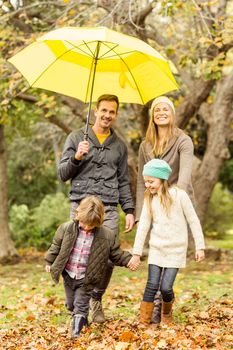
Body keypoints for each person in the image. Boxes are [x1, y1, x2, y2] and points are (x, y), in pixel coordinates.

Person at [58, 94, 135, 323]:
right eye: (104, 110)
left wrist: (129, 209)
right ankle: (74, 302)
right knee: (73, 254)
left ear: (116, 114)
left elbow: (123, 180)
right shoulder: (75, 137)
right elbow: (62, 174)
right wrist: (77, 157)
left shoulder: (119, 146)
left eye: (112, 112)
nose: (107, 115)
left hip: (109, 207)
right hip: (81, 207)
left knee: (109, 257)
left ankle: (96, 299)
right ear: (95, 111)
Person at [45, 196, 138, 338]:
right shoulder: (66, 228)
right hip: (69, 274)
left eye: (91, 225)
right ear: (78, 215)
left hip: (87, 277)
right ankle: (83, 321)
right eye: (84, 223)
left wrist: (128, 260)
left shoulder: (106, 235)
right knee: (71, 305)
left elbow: (116, 254)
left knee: (80, 305)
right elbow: (56, 246)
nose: (87, 227)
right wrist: (50, 262)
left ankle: (76, 334)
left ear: (99, 221)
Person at [128, 159, 205, 326]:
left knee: (165, 287)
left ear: (162, 179)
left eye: (151, 181)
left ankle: (166, 312)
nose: (147, 185)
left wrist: (200, 246)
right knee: (152, 284)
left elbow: (193, 221)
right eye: (145, 181)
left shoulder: (180, 195)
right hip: (156, 249)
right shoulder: (150, 199)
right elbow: (143, 228)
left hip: (175, 251)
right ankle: (145, 321)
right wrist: (136, 253)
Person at [136, 95, 194, 221]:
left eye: (165, 109)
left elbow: (184, 178)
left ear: (172, 114)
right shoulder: (145, 145)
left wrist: (172, 206)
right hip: (153, 205)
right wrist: (140, 215)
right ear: (152, 116)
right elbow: (141, 181)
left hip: (178, 204)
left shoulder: (183, 141)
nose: (161, 113)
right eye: (157, 110)